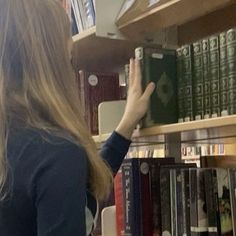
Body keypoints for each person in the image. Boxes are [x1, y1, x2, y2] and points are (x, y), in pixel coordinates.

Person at [0, 0, 155, 235]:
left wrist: (127, 124)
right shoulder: (56, 151)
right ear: (54, 64)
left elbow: (77, 193)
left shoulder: (19, 140)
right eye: (69, 59)